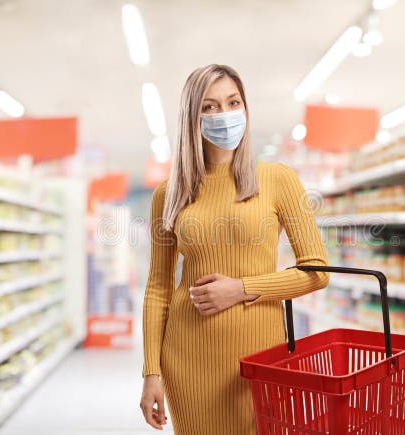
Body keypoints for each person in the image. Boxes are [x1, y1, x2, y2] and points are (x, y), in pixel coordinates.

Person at [139, 64, 329, 434]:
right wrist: (151, 371)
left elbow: (317, 271)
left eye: (232, 102)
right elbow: (158, 288)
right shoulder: (169, 194)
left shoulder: (277, 179)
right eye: (209, 107)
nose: (223, 115)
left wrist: (241, 289)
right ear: (191, 117)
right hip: (187, 358)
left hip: (261, 357)